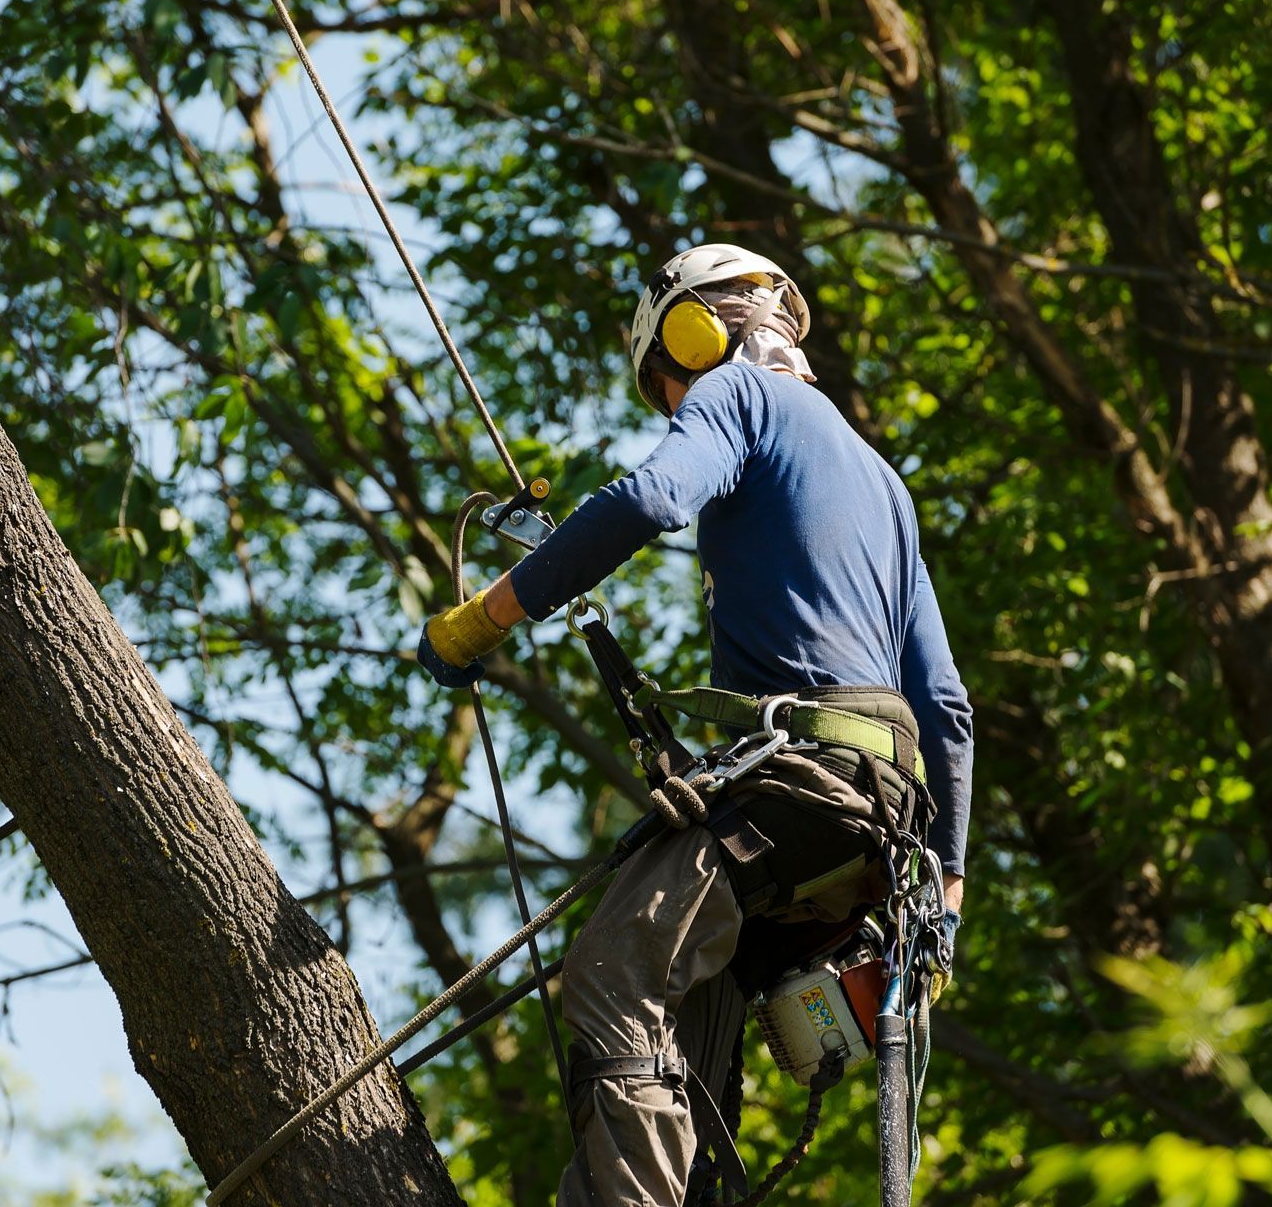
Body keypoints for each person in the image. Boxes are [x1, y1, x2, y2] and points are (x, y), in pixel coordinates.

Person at [417, 244, 973, 1207]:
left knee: (610, 972)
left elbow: (650, 497)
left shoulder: (739, 396)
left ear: (697, 333)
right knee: (689, 1019)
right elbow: (949, 714)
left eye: (666, 385)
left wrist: (485, 619)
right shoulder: (888, 485)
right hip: (877, 826)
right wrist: (948, 906)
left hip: (802, 785)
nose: (676, 407)